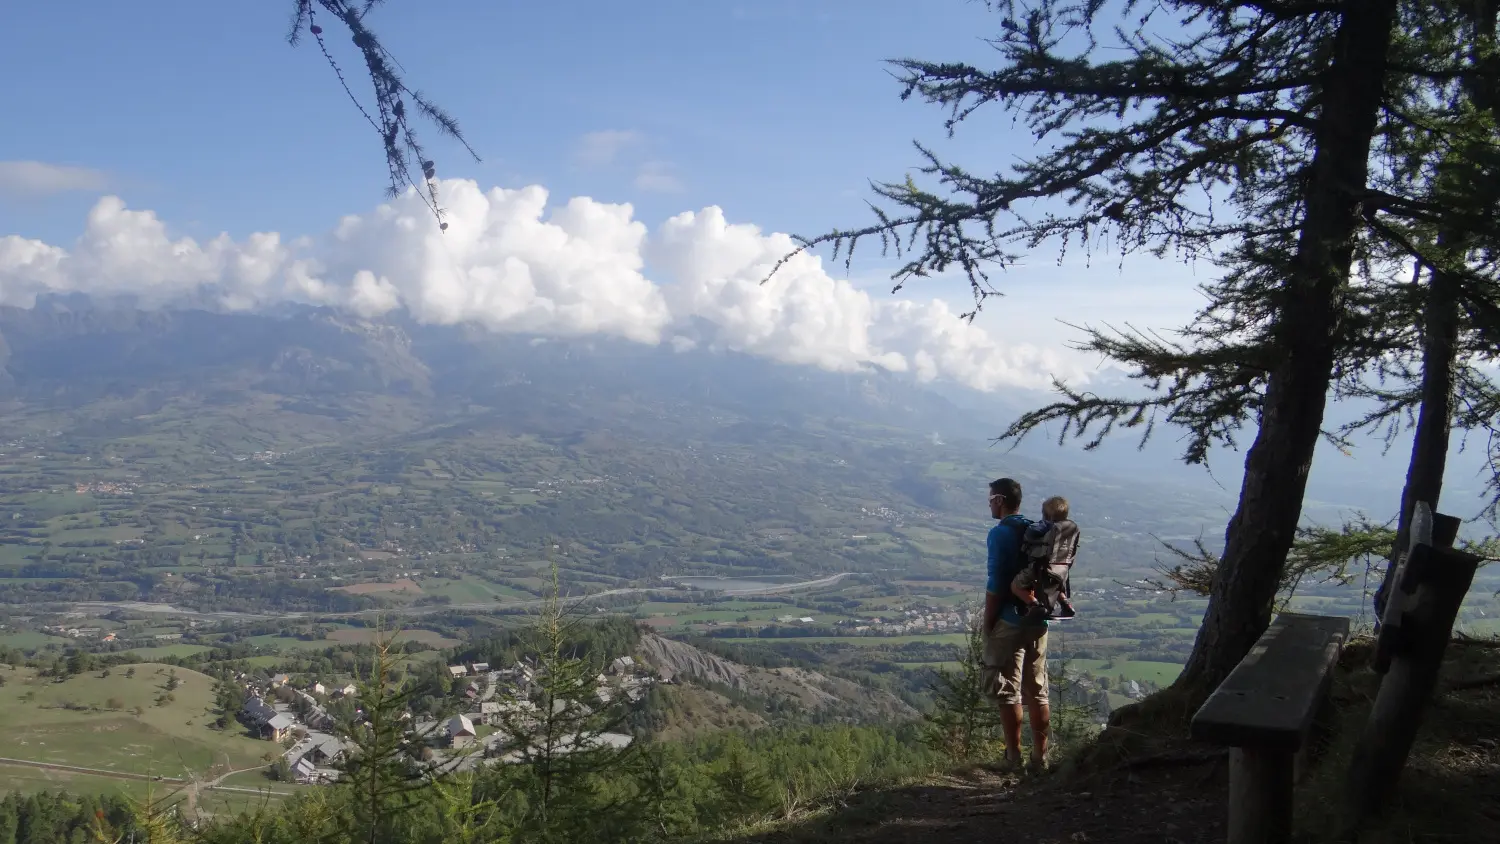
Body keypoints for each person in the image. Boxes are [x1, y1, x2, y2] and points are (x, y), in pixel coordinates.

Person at [981, 477, 1051, 773]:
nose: (989, 505)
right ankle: (1040, 759)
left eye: (990, 500)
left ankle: (1013, 757)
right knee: (1037, 690)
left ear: (1000, 500)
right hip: (1038, 618)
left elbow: (996, 583)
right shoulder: (1037, 531)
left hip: (1009, 620)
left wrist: (988, 622)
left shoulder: (1000, 534)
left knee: (1008, 691)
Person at [1011, 495, 1080, 620]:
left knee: (1016, 586)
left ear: (1046, 515)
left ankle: (1034, 605)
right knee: (1056, 586)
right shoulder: (1067, 529)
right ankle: (1066, 605)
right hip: (1061, 570)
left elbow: (1030, 533)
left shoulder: (1046, 525)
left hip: (1040, 567)